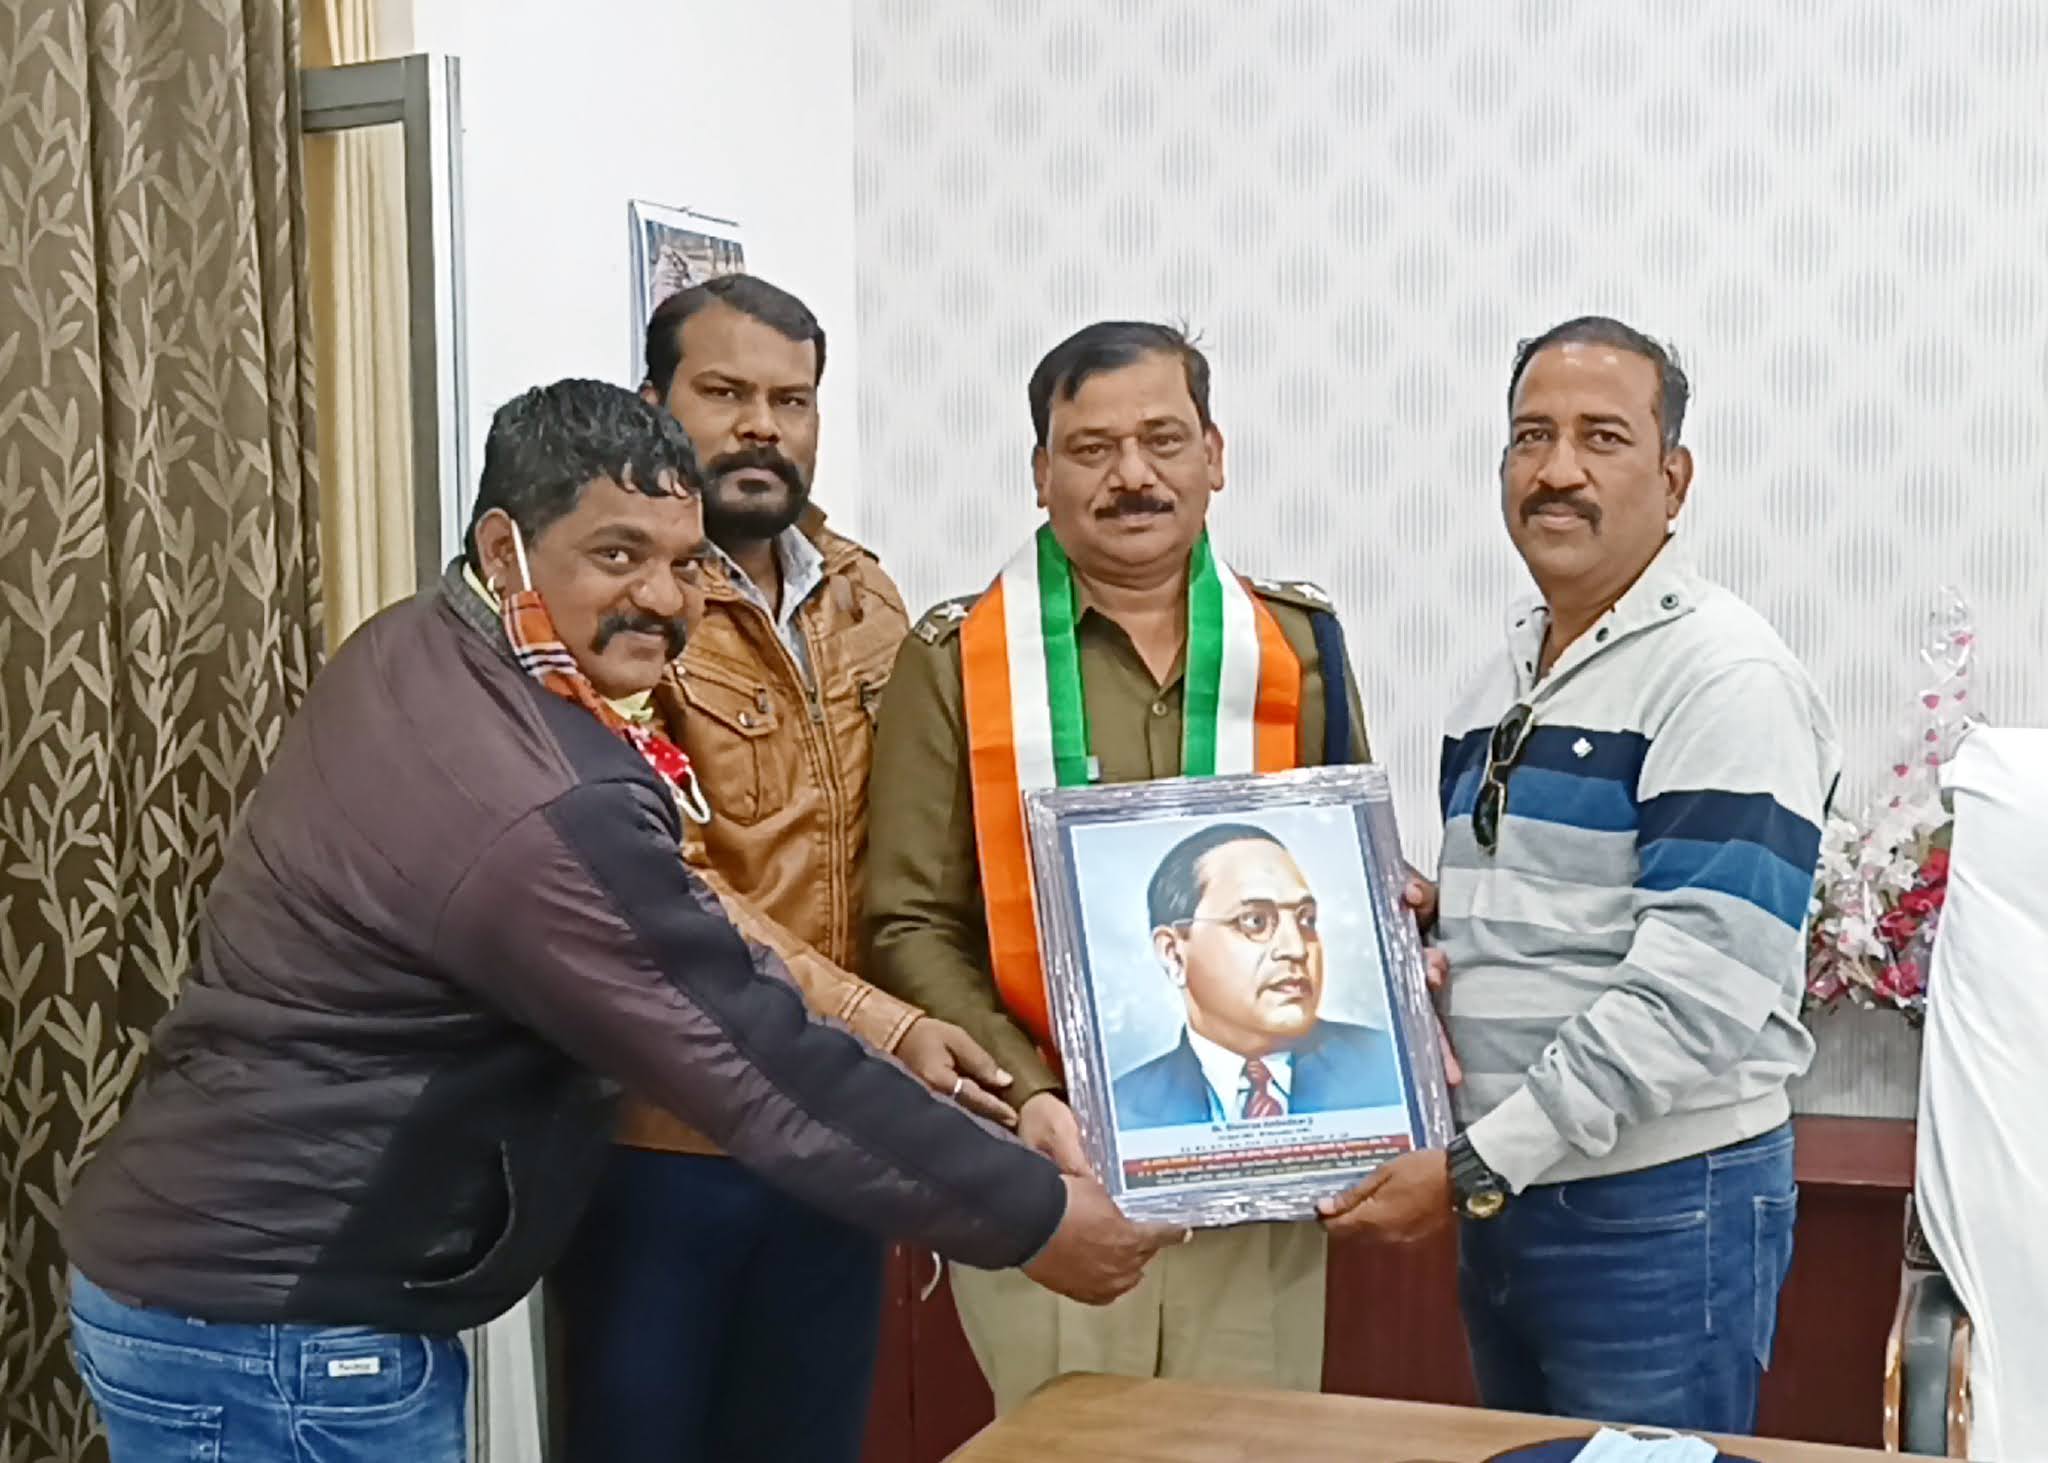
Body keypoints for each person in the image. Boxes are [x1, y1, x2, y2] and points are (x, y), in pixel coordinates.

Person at [60, 380, 1181, 1462]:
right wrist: (1031, 1215)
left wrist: (893, 1035)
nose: (662, 597)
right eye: (614, 555)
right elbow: (744, 1053)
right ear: (505, 548)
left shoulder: (432, 643)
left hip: (226, 1286)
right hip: (281, 1333)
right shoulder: (540, 791)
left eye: (683, 561)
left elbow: (693, 924)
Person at [1317, 317, 1840, 1435]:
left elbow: (1695, 992)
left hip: (1659, 1206)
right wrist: (1428, 921)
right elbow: (1553, 925)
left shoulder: (1723, 678)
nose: (1556, 469)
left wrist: (1474, 1165)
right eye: (1530, 436)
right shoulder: (1504, 676)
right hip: (1520, 1188)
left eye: (1601, 436)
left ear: (1672, 478)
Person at [865, 321, 1373, 1412]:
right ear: (1040, 471)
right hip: (1054, 1167)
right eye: (1091, 448)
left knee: (1254, 1444)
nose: (1131, 475)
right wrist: (1029, 1095)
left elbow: (1341, 880)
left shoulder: (1300, 650)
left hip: (1257, 1167)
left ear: (1214, 454)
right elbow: (908, 918)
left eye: (1162, 439)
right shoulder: (953, 661)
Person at [552, 276, 1007, 1463]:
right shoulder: (617, 607)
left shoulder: (864, 596)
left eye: (790, 399)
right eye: (724, 392)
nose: (761, 426)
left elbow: (928, 846)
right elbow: (667, 884)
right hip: (662, 1142)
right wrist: (883, 1027)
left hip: (840, 1129)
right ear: (652, 403)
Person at [1114, 822, 1403, 1130]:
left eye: (1306, 920)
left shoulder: (1391, 1067)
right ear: (1173, 953)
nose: (1296, 949)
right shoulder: (1120, 1110)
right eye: (1254, 921)